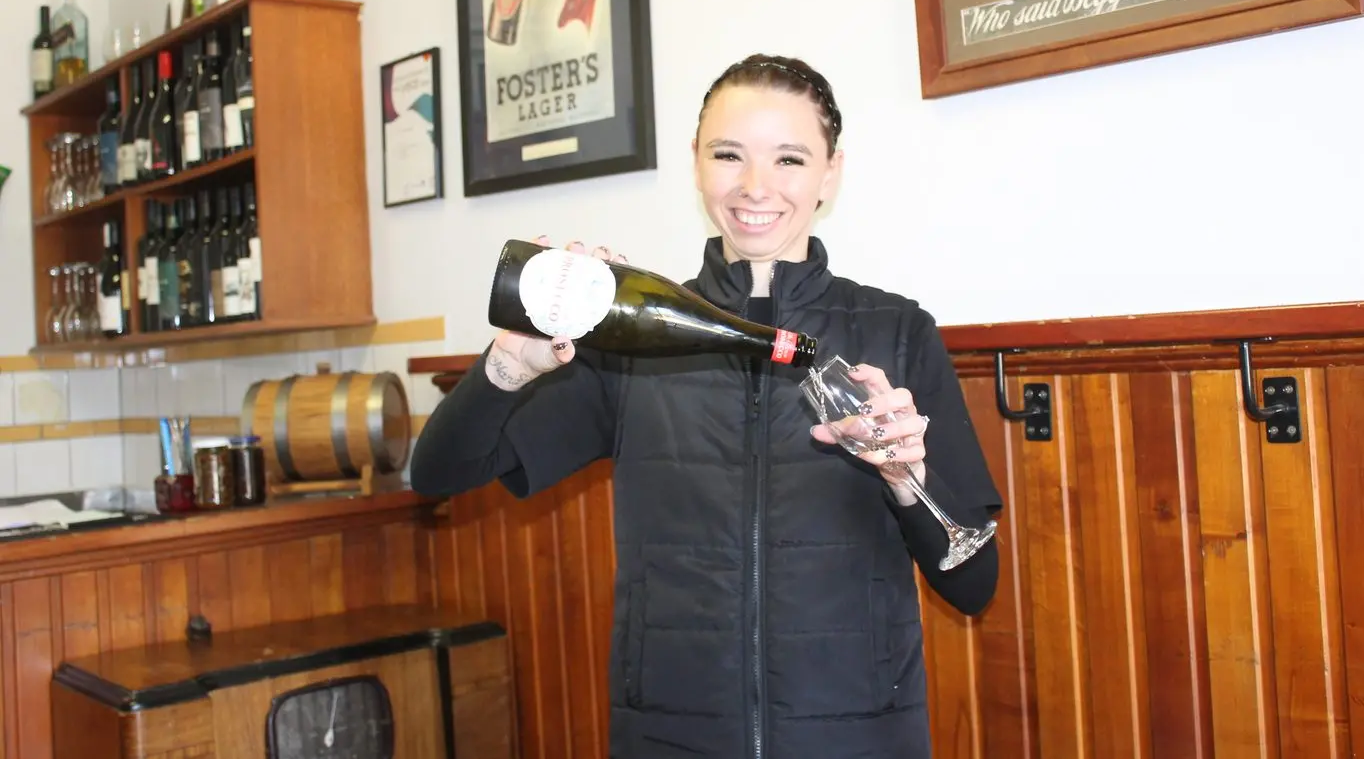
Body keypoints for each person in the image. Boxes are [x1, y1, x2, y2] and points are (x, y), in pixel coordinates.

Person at [410, 54, 1004, 759]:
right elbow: (436, 473)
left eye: (788, 158)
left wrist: (905, 482)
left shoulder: (895, 332)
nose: (756, 186)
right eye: (728, 154)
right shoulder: (626, 338)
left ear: (830, 172)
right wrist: (509, 362)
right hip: (668, 735)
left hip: (859, 734)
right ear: (695, 162)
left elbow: (973, 584)